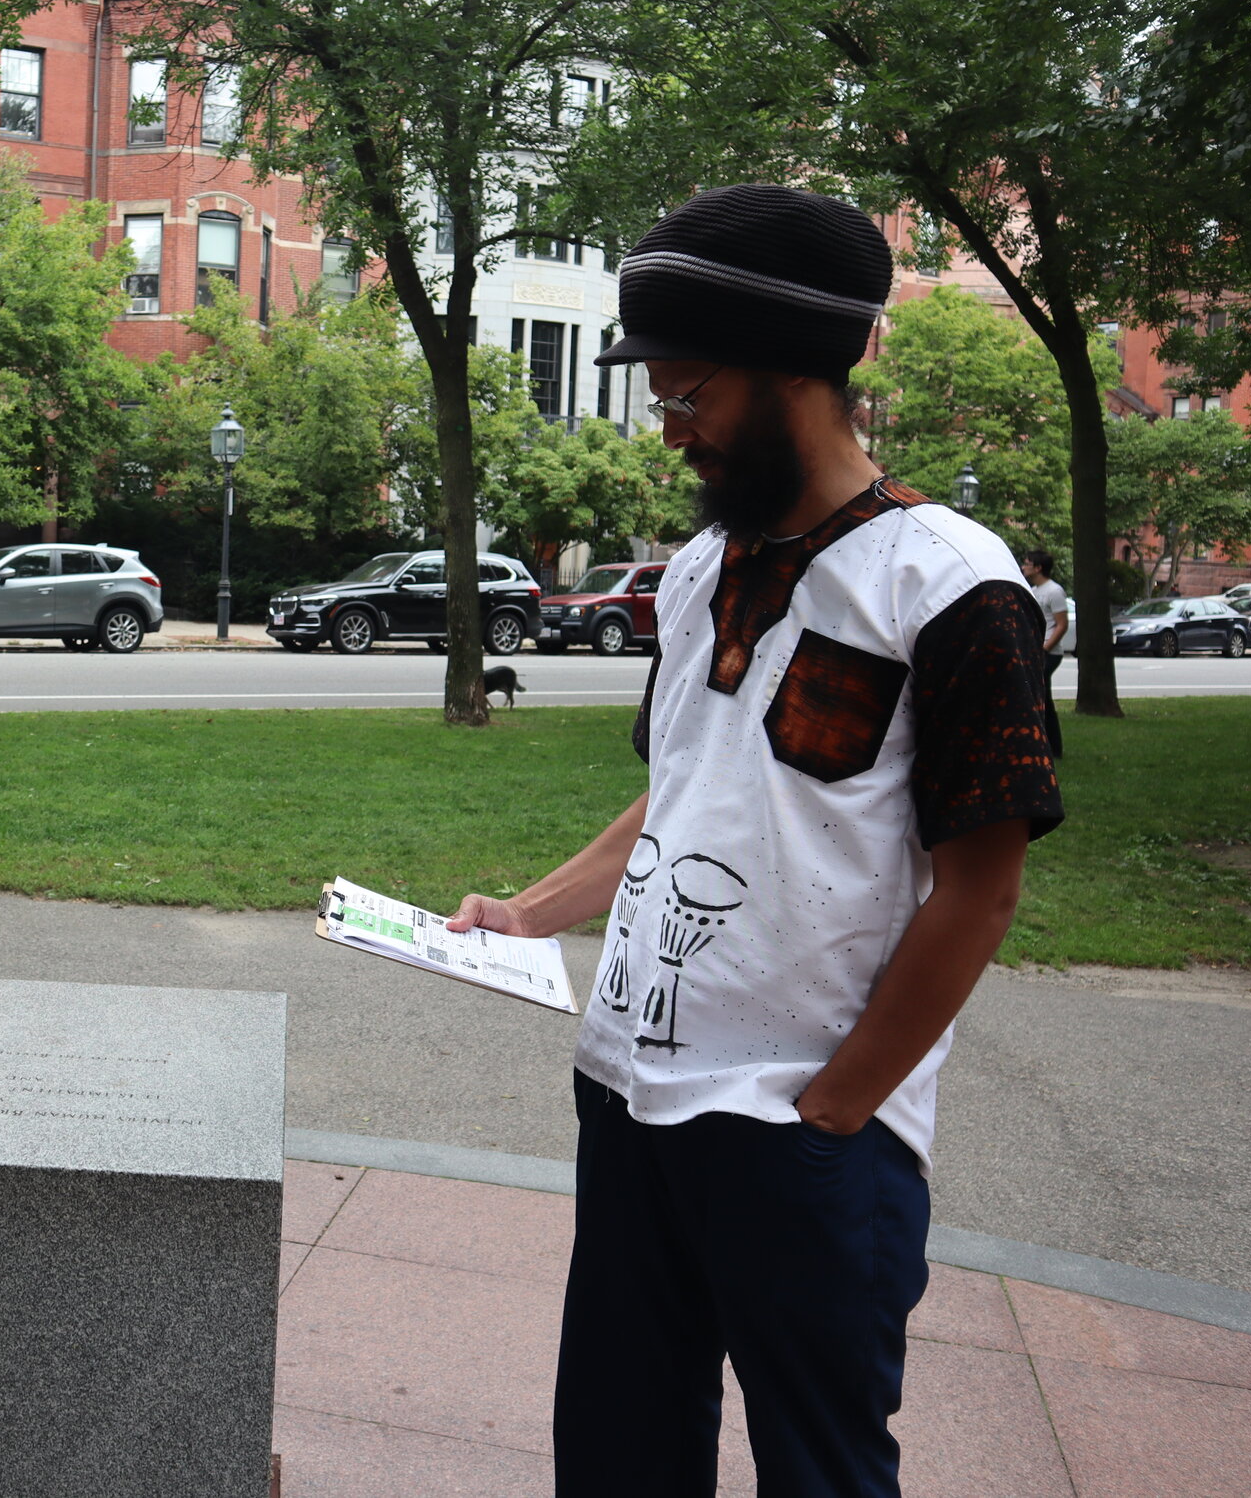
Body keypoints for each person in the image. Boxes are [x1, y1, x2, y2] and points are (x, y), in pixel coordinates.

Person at [443, 185, 1061, 1498]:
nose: (672, 432)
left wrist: (832, 1109)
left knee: (822, 1472)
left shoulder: (953, 588)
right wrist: (535, 908)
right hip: (627, 1095)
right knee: (616, 1457)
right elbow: (687, 786)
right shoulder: (694, 572)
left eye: (689, 396)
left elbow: (981, 890)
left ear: (796, 372)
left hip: (802, 1135)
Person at [1021, 548, 1070, 756]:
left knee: (1040, 697)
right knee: (1041, 698)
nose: (1023, 567)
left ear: (1038, 567)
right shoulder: (1034, 590)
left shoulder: (1054, 591)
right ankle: (1047, 747)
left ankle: (1051, 748)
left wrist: (1045, 649)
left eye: (1026, 563)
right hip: (1037, 651)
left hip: (1049, 653)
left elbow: (1061, 625)